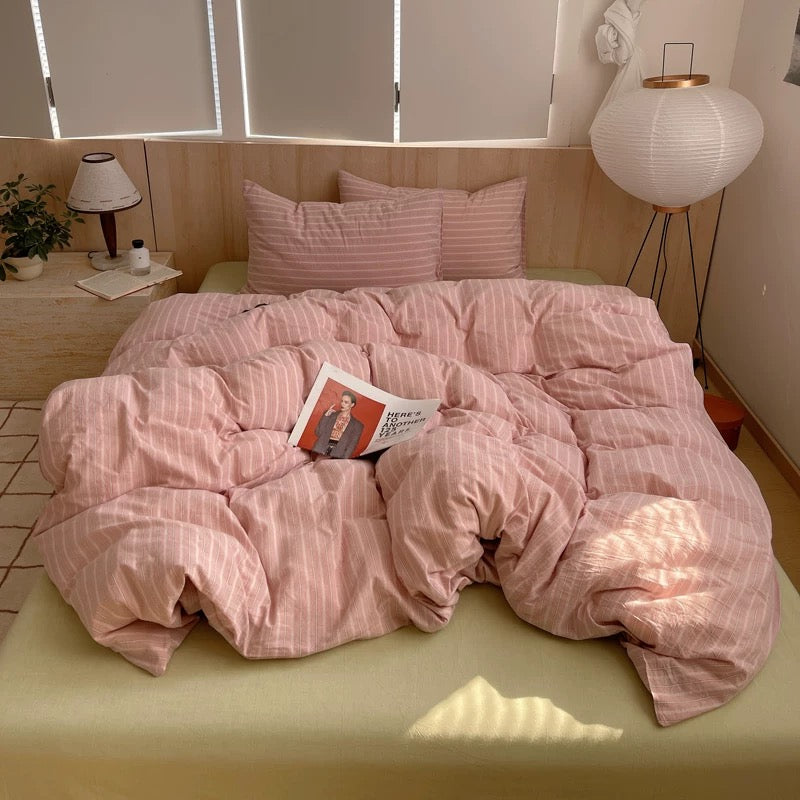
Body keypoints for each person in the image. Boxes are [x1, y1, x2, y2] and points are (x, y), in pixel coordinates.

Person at [311, 390, 364, 459]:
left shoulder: (357, 425)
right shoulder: (330, 414)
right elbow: (318, 433)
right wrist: (326, 416)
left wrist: (343, 460)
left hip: (337, 456)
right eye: (342, 401)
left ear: (352, 404)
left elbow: (351, 446)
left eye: (346, 402)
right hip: (319, 451)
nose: (342, 404)